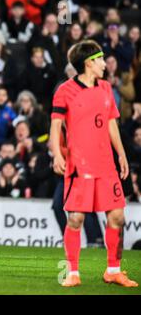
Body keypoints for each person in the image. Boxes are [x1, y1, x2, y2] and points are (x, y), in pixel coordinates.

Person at [50, 39, 138, 287]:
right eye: (100, 59)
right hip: (80, 166)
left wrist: (120, 153)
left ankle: (113, 270)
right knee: (75, 218)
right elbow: (56, 125)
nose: (104, 64)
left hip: (106, 165)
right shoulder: (65, 90)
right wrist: (58, 154)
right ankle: (73, 273)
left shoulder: (106, 88)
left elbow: (111, 122)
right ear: (89, 63)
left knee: (117, 217)